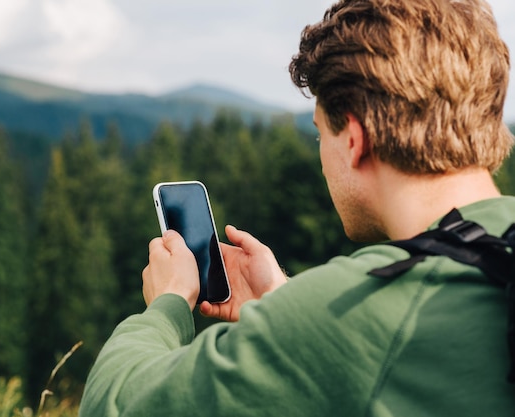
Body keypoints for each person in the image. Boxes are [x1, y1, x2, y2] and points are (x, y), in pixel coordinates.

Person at [78, 0, 515, 415]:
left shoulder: (367, 308)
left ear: (354, 140)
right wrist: (284, 305)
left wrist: (169, 303)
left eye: (319, 132)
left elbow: (114, 405)